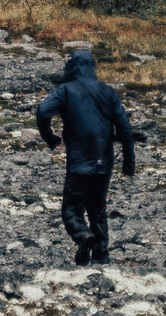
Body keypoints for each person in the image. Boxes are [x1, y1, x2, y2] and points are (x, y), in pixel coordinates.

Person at [34, 44, 135, 265]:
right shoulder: (108, 91)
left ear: (71, 67)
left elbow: (42, 111)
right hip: (104, 158)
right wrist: (129, 164)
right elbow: (125, 128)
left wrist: (51, 138)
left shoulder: (66, 90)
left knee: (71, 209)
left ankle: (83, 236)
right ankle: (101, 256)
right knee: (97, 209)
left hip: (79, 159)